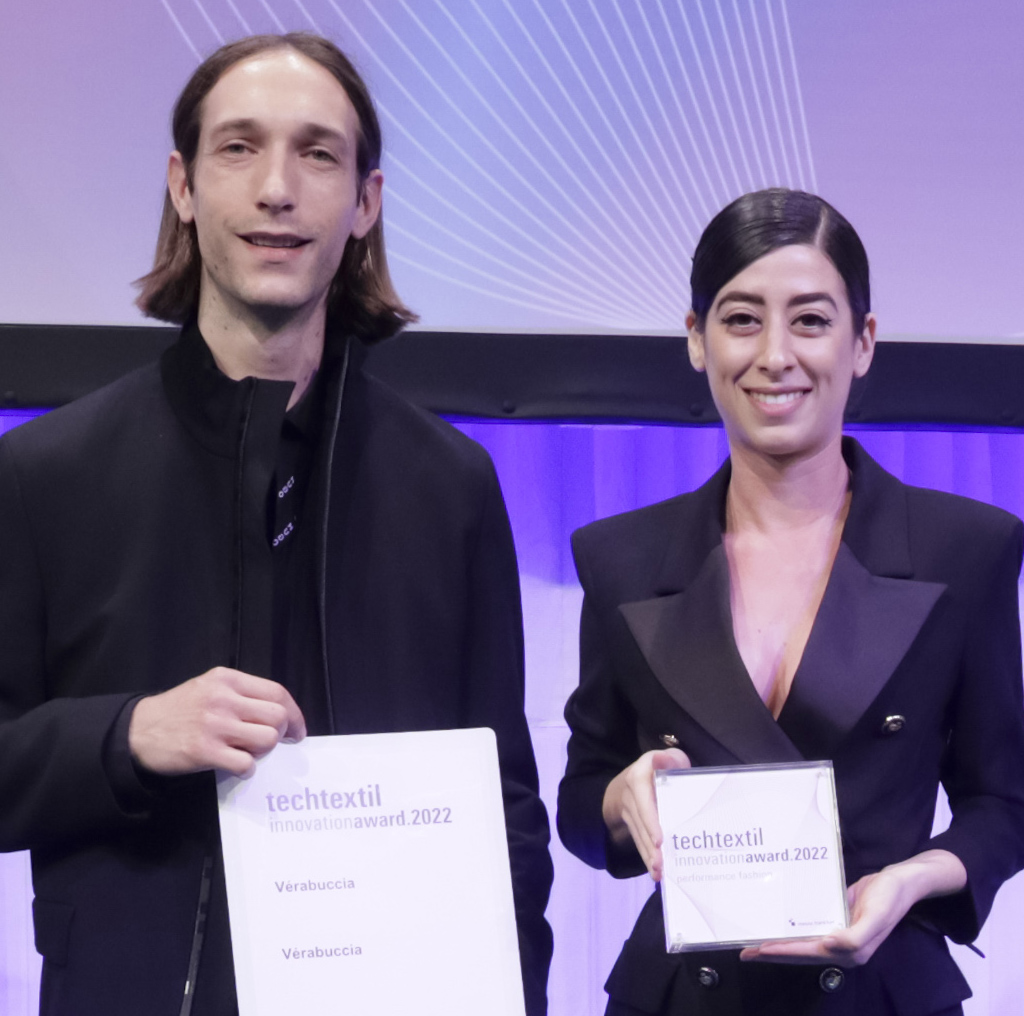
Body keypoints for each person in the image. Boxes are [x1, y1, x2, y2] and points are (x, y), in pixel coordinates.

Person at [0, 33, 552, 1016]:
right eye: (239, 148)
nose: (278, 189)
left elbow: (505, 818)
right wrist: (127, 732)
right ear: (183, 184)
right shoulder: (45, 474)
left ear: (366, 202)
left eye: (318, 153)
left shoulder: (451, 486)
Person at [557, 188, 1024, 1015]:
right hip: (684, 996)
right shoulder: (620, 558)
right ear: (697, 340)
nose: (775, 354)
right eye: (741, 319)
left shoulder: (967, 550)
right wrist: (622, 799)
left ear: (863, 342)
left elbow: (1005, 802)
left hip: (881, 991)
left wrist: (911, 880)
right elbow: (581, 804)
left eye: (810, 320)